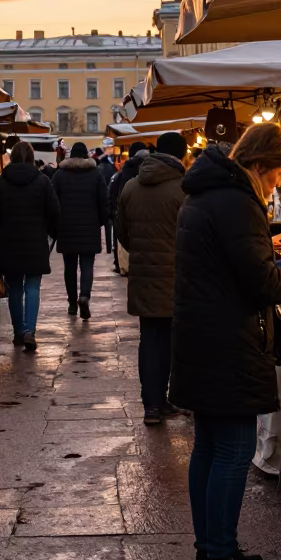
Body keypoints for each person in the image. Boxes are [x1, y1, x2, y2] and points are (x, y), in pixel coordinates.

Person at [170, 124, 281, 560]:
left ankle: (212, 549)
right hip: (226, 341)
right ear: (259, 165)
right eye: (278, 174)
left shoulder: (207, 192)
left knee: (210, 446)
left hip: (203, 336)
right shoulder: (238, 199)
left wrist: (264, 245)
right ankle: (220, 557)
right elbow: (260, 282)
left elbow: (229, 260)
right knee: (235, 449)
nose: (279, 183)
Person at [115, 131, 187, 426]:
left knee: (149, 339)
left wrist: (142, 253)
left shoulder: (131, 186)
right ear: (181, 155)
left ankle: (151, 405)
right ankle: (165, 399)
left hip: (143, 275)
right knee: (170, 340)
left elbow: (121, 232)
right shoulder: (183, 189)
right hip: (176, 277)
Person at [0, 140, 59, 350]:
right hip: (35, 241)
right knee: (33, 286)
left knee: (15, 287)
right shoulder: (43, 181)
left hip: (9, 241)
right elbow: (54, 211)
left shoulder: (1, 182)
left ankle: (18, 332)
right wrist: (51, 233)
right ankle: (29, 330)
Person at [53, 140, 108, 318]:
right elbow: (103, 201)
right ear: (86, 155)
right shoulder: (96, 174)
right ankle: (84, 296)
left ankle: (71, 303)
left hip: (66, 228)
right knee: (87, 265)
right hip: (90, 226)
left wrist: (56, 224)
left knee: (69, 267)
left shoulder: (60, 175)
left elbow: (53, 203)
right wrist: (100, 222)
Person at [110, 142, 147, 272]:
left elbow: (115, 194)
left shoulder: (124, 172)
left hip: (127, 212)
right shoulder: (150, 170)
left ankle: (122, 264)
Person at [96, 151, 116, 254]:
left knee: (101, 225)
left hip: (103, 199)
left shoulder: (99, 168)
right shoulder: (112, 167)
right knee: (109, 225)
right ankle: (109, 248)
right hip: (111, 198)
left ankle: (100, 245)